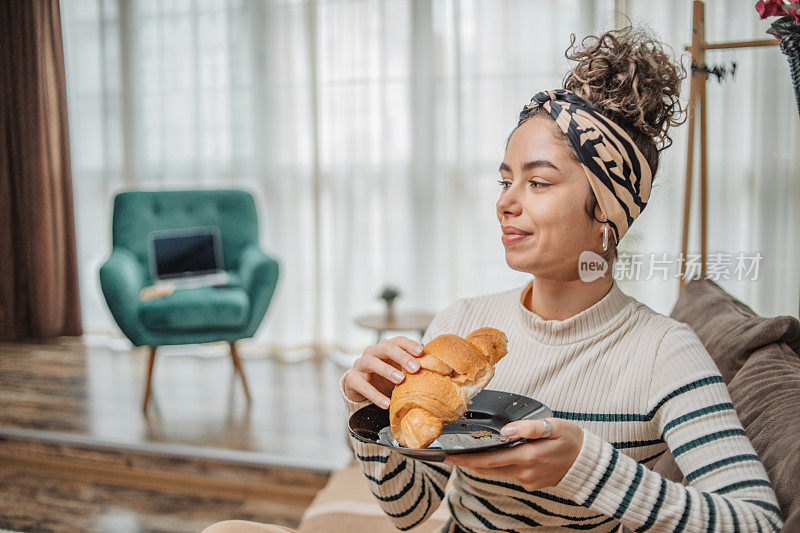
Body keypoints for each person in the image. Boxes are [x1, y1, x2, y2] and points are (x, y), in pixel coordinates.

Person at [204, 24, 783, 533]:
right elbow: (409, 511)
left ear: (605, 210)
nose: (506, 202)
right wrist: (369, 416)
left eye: (538, 182)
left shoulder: (663, 353)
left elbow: (756, 521)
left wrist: (588, 467)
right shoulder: (460, 325)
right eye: (504, 180)